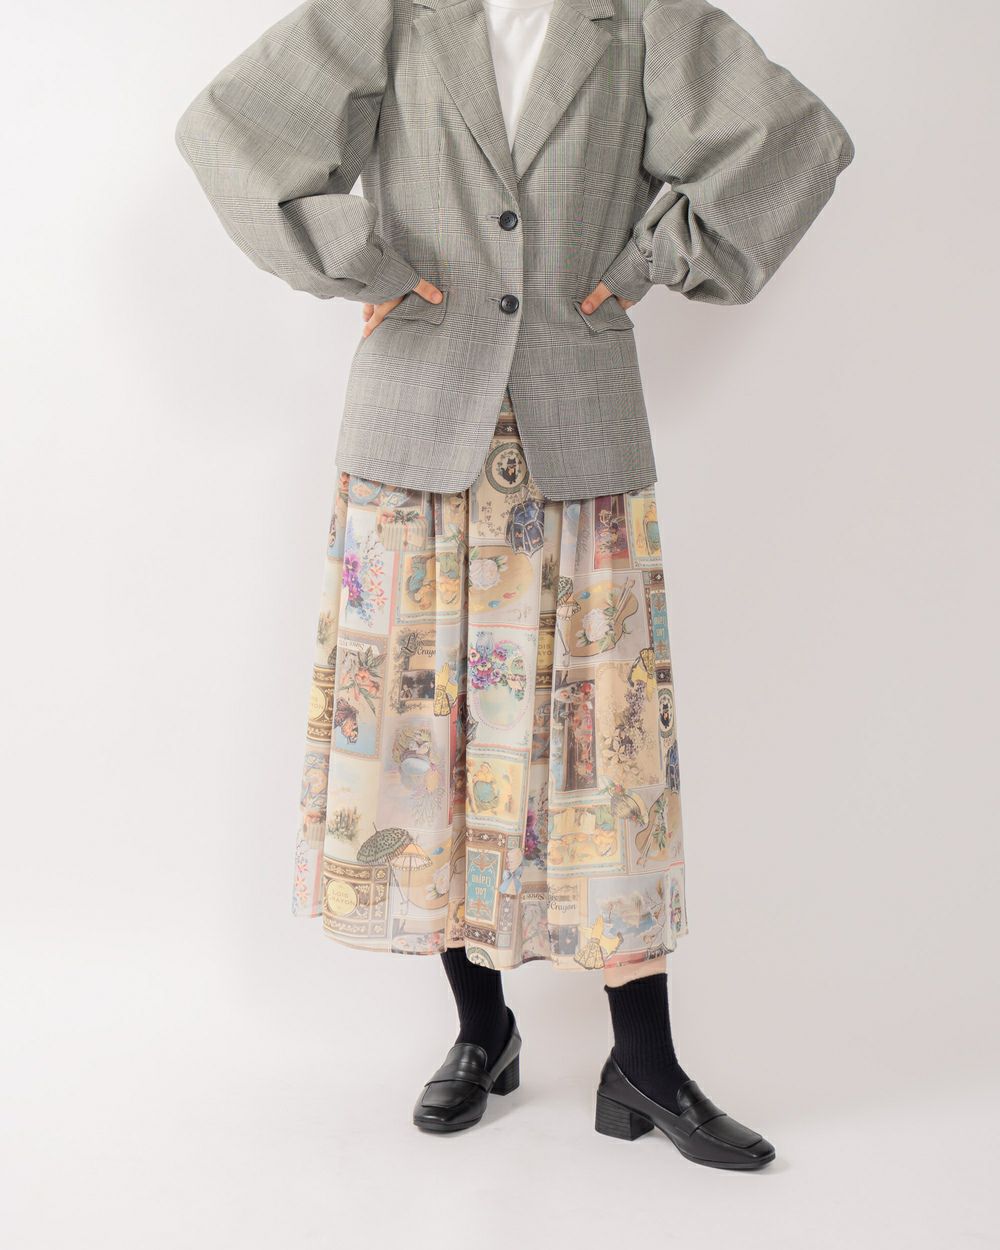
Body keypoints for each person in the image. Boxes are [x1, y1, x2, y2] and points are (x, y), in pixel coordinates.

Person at [175, 0, 854, 1167]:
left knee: (609, 753)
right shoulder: (391, 13)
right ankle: (481, 1030)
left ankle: (645, 1062)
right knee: (429, 739)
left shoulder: (636, 18)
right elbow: (228, 131)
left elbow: (790, 137)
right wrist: (362, 261)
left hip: (576, 428)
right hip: (416, 425)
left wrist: (648, 259)